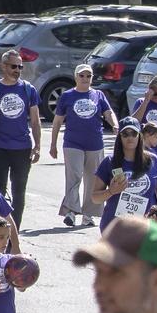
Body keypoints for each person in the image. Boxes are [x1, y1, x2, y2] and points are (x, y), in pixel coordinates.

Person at [0, 50, 44, 223]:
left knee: (18, 192)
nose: (17, 70)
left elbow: (36, 122)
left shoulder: (28, 90)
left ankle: (14, 236)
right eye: (14, 66)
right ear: (3, 66)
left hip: (22, 148)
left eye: (20, 66)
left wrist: (37, 146)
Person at [51, 63, 118, 227]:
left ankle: (89, 214)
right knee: (74, 177)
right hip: (73, 142)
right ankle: (71, 212)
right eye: (82, 75)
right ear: (76, 77)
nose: (85, 79)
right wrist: (53, 144)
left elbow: (108, 113)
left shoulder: (98, 95)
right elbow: (58, 120)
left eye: (88, 76)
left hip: (95, 143)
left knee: (93, 179)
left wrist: (115, 125)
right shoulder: (67, 96)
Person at [93, 119, 157, 232]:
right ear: (119, 137)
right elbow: (95, 198)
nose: (130, 137)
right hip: (115, 228)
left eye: (134, 133)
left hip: (146, 228)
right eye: (125, 134)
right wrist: (110, 191)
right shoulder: (109, 162)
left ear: (140, 136)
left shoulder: (153, 160)